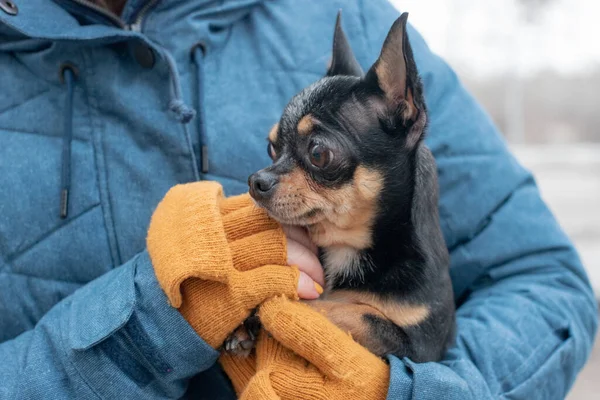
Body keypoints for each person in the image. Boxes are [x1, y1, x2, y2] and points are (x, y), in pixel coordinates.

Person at [0, 0, 596, 399]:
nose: (264, 180)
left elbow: (545, 283)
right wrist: (141, 329)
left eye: (319, 158)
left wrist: (402, 388)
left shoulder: (345, 18)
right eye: (273, 152)